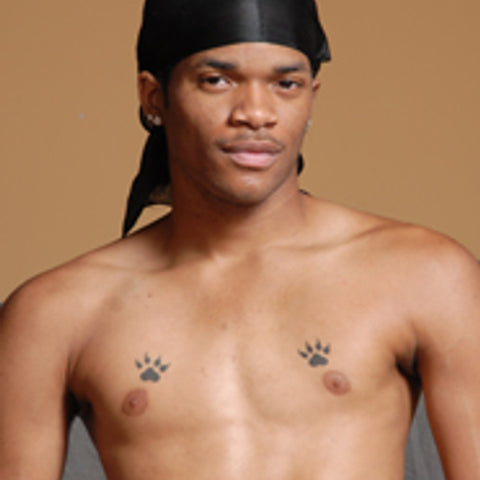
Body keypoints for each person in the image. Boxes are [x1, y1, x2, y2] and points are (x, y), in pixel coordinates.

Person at [1, 0, 479, 479]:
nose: (256, 113)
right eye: (217, 80)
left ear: (311, 97)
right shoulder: (55, 314)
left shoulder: (427, 275)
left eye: (285, 84)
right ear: (154, 98)